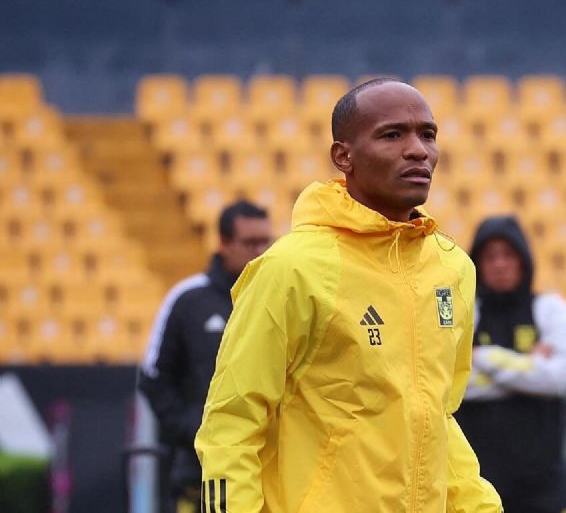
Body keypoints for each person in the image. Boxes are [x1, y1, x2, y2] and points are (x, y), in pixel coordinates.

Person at [194, 78, 502, 512]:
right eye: (392, 134)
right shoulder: (292, 268)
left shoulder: (453, 268)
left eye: (427, 134)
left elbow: (435, 418)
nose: (417, 150)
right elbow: (231, 421)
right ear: (344, 156)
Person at [138, 200, 272, 513]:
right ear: (224, 244)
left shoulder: (282, 296)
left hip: (270, 471)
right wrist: (193, 430)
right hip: (199, 477)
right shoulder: (188, 299)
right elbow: (154, 378)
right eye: (250, 242)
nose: (260, 251)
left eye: (265, 241)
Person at [457, 215, 566, 513]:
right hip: (475, 491)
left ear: (524, 261)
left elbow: (556, 380)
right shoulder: (463, 314)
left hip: (546, 492)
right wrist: (528, 366)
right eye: (489, 256)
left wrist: (483, 357)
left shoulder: (552, 311)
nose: (500, 264)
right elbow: (452, 385)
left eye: (508, 254)